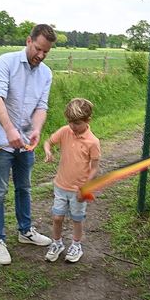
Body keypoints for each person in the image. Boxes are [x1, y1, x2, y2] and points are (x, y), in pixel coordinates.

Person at [0, 24, 57, 265]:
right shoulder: (7, 62)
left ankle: (25, 231)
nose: (41, 55)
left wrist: (36, 130)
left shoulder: (46, 73)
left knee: (24, 187)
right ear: (28, 41)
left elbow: (41, 107)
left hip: (24, 141)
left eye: (46, 52)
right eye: (38, 49)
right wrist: (9, 130)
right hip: (0, 139)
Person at [43, 98, 101, 263]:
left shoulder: (93, 142)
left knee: (77, 219)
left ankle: (76, 245)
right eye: (70, 122)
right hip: (61, 186)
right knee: (57, 217)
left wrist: (85, 187)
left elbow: (95, 167)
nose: (72, 126)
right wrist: (48, 151)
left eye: (76, 123)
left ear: (88, 120)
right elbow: (48, 141)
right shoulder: (65, 131)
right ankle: (57, 243)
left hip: (78, 190)